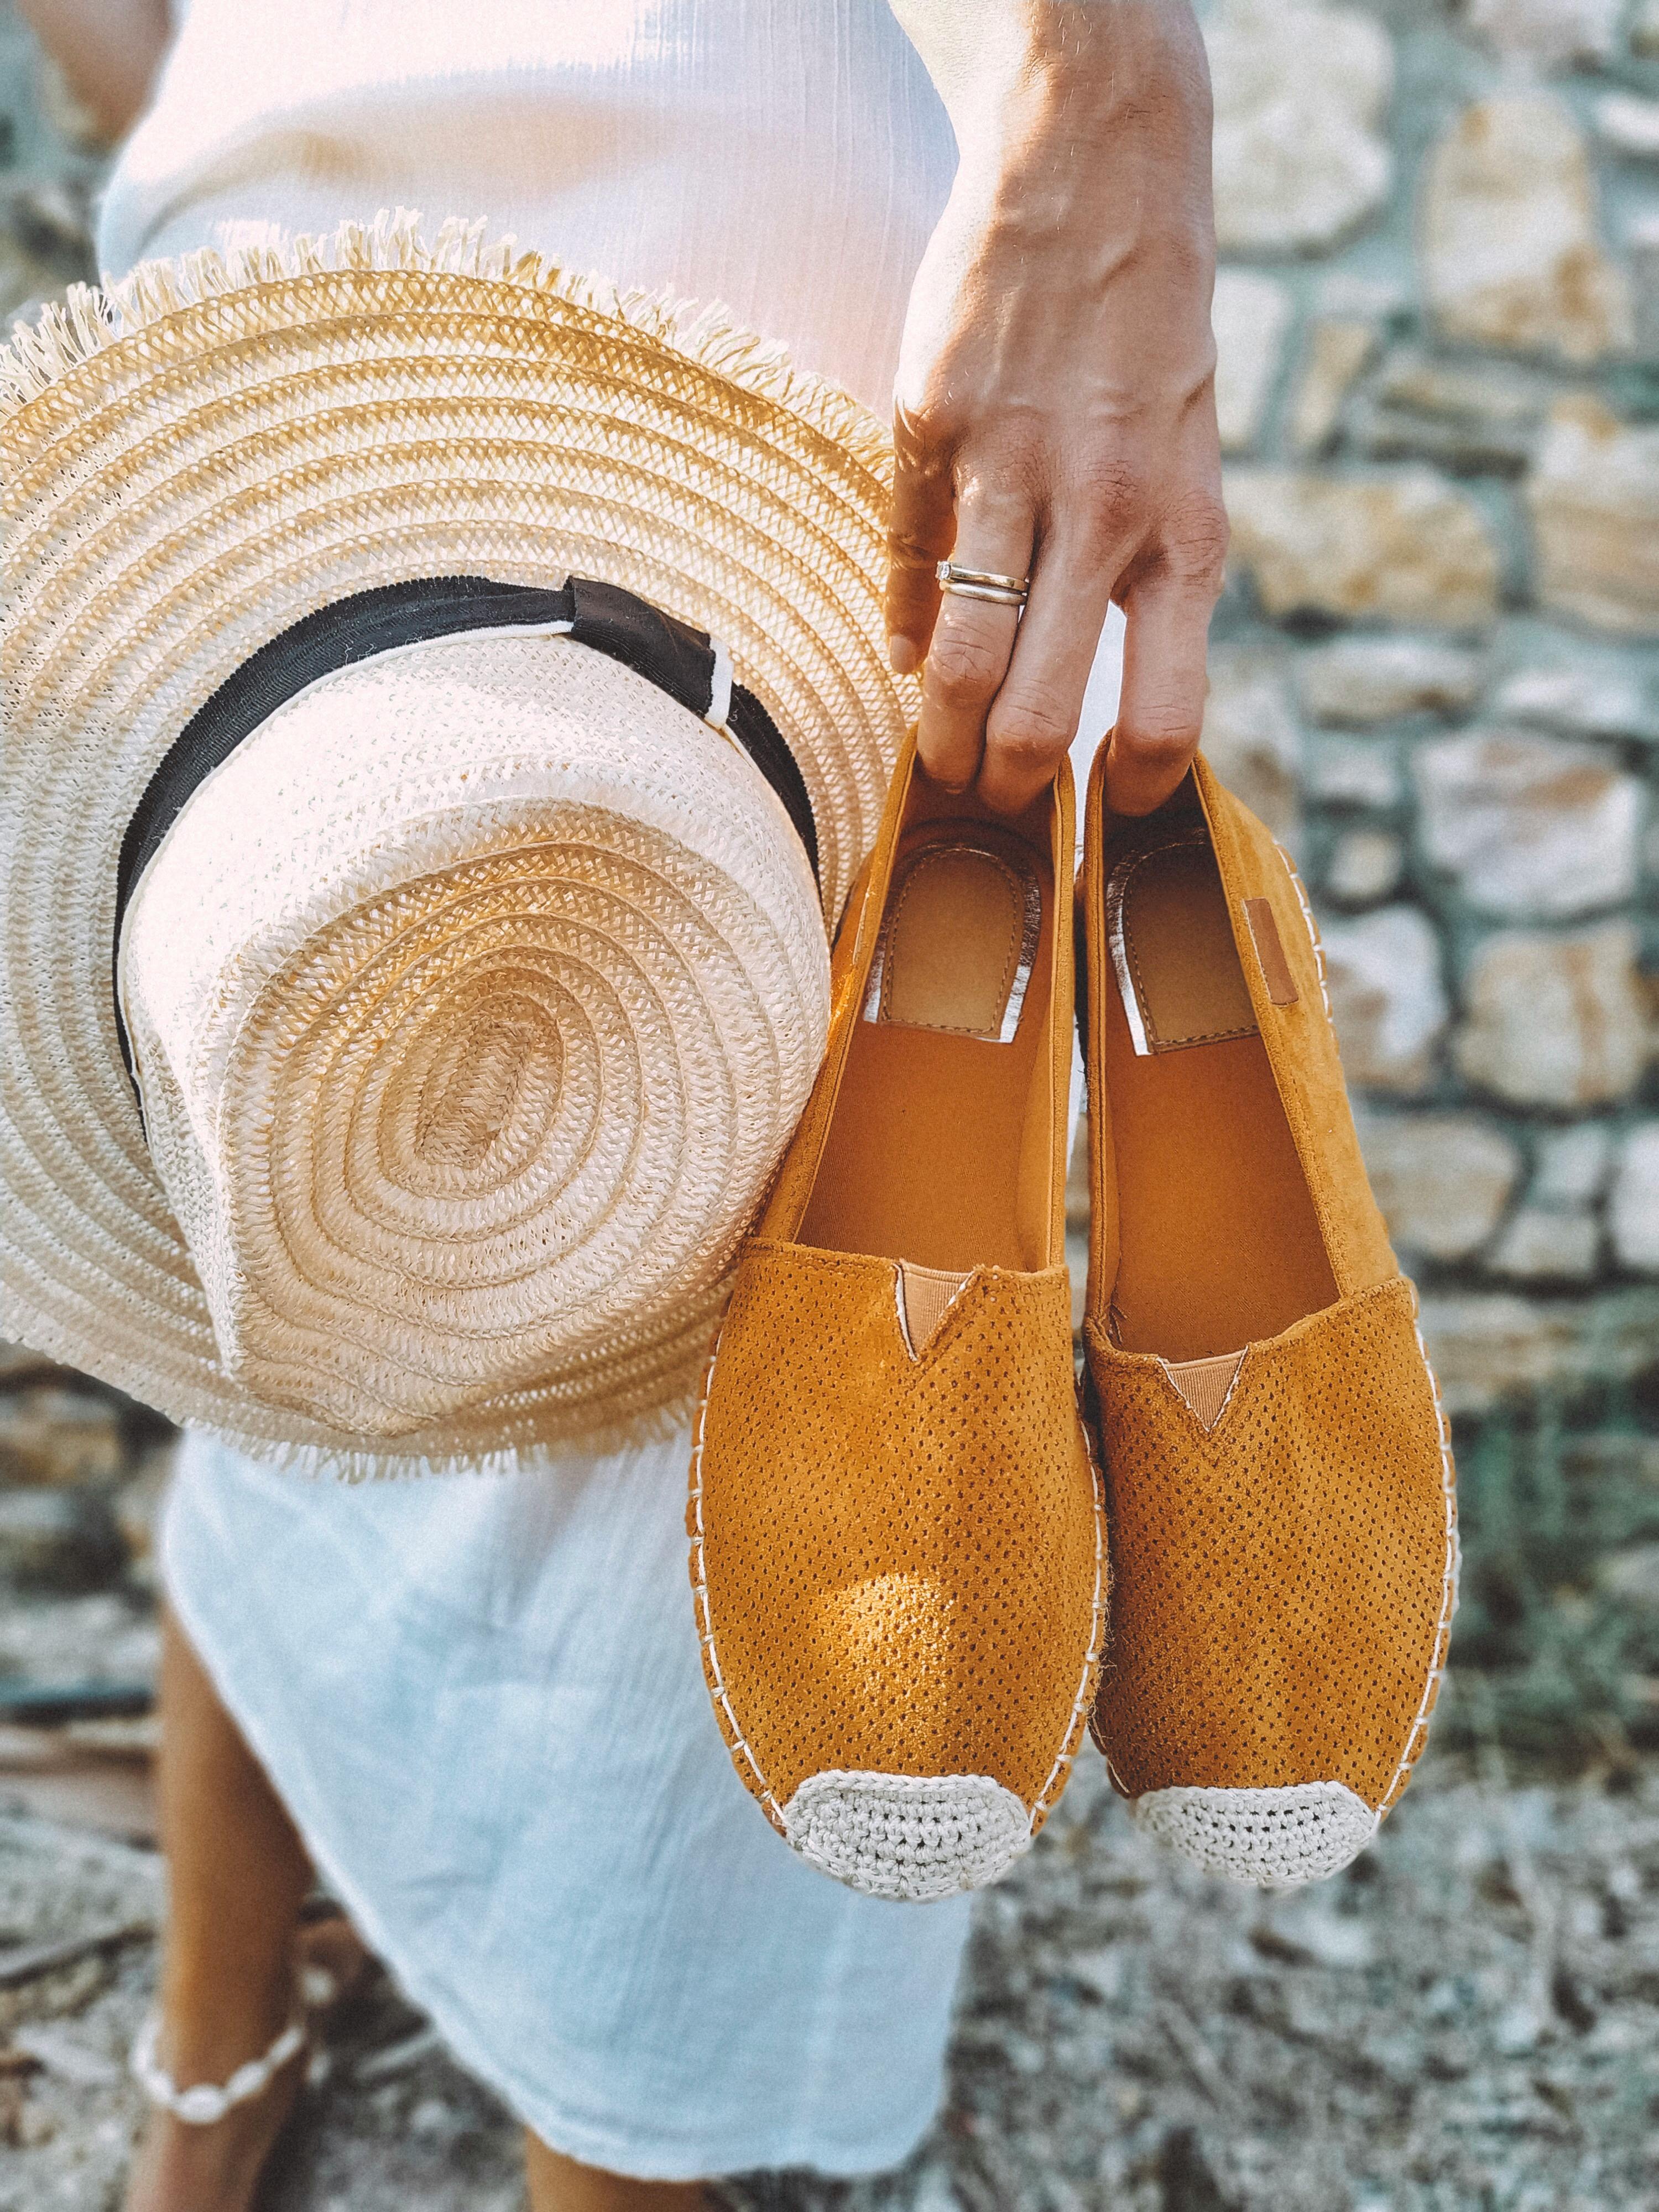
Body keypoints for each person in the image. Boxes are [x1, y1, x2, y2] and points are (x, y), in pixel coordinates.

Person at [14, 3, 1225, 2207]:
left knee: (722, 1363)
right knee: (321, 1180)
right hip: (379, 148)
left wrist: (1110, 103)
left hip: (674, 153)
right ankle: (229, 2050)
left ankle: (326, 2084)